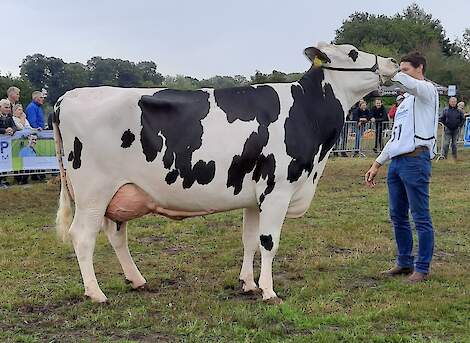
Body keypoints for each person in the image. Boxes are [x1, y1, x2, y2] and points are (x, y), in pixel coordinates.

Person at [365, 52, 439, 283]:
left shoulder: (427, 91)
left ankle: (422, 267)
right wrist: (377, 163)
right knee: (397, 215)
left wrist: (391, 71)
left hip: (416, 160)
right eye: (402, 69)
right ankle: (404, 262)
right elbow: (395, 138)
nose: (403, 74)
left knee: (420, 216)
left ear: (420, 69)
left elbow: (407, 82)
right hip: (397, 162)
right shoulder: (405, 102)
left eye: (407, 69)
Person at [440, 96, 464, 161]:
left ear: (456, 102)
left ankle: (454, 157)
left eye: (454, 102)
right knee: (446, 143)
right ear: (449, 102)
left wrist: (459, 126)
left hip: (456, 130)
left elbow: (463, 119)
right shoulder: (445, 110)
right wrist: (444, 125)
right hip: (448, 129)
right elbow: (441, 118)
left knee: (454, 144)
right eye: (452, 102)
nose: (453, 103)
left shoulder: (459, 110)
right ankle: (444, 157)